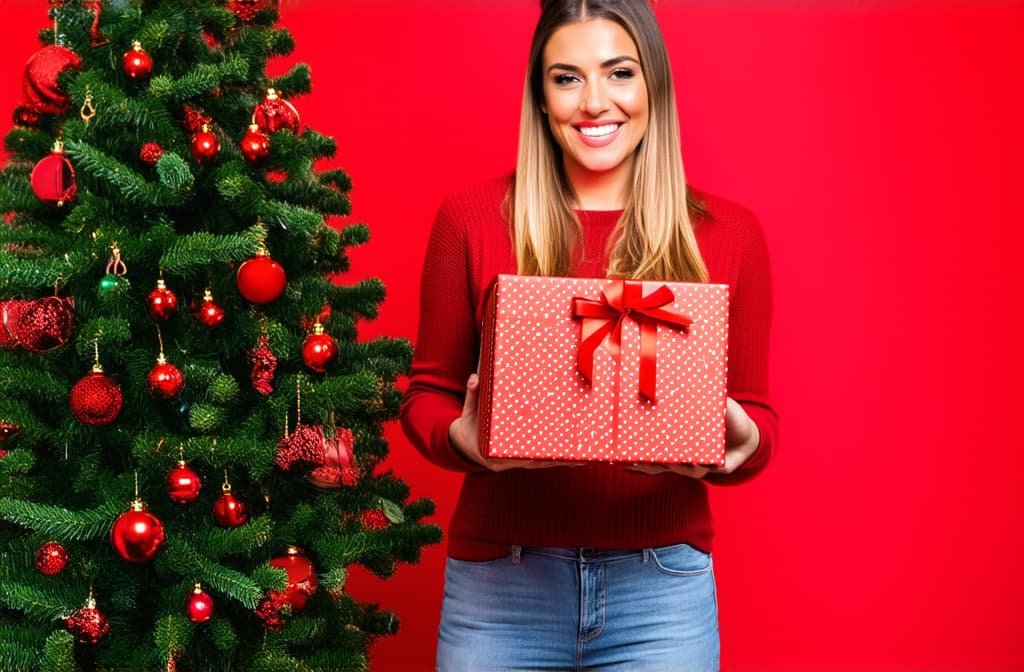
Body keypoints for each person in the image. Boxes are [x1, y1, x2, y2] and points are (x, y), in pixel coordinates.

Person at [400, 0, 777, 669]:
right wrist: (465, 438)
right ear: (540, 99)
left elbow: (758, 419)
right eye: (566, 78)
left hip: (662, 592)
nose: (594, 102)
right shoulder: (471, 220)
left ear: (653, 84)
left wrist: (740, 442)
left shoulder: (730, 234)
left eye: (619, 73)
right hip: (499, 586)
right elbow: (426, 393)